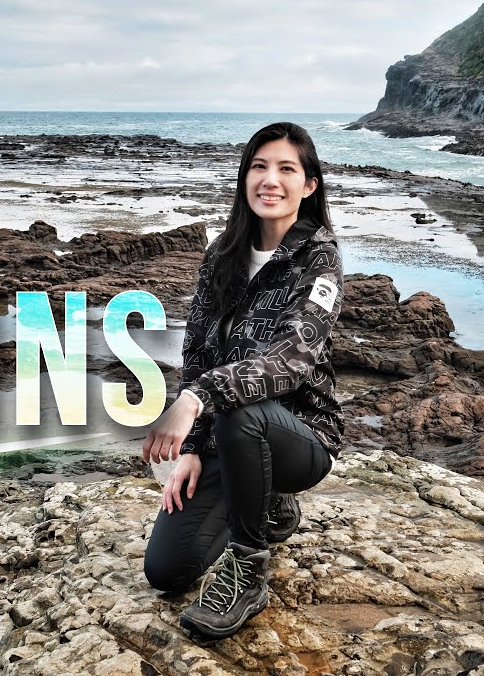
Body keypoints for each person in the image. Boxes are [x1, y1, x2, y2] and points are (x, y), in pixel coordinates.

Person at [140, 122, 344, 640]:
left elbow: (290, 359)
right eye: (259, 166)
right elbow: (199, 351)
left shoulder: (319, 260)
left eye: (286, 169)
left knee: (242, 408)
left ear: (309, 185)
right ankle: (267, 504)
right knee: (166, 571)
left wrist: (194, 402)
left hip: (300, 439)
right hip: (230, 437)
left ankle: (249, 568)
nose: (269, 180)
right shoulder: (222, 255)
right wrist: (193, 448)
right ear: (244, 177)